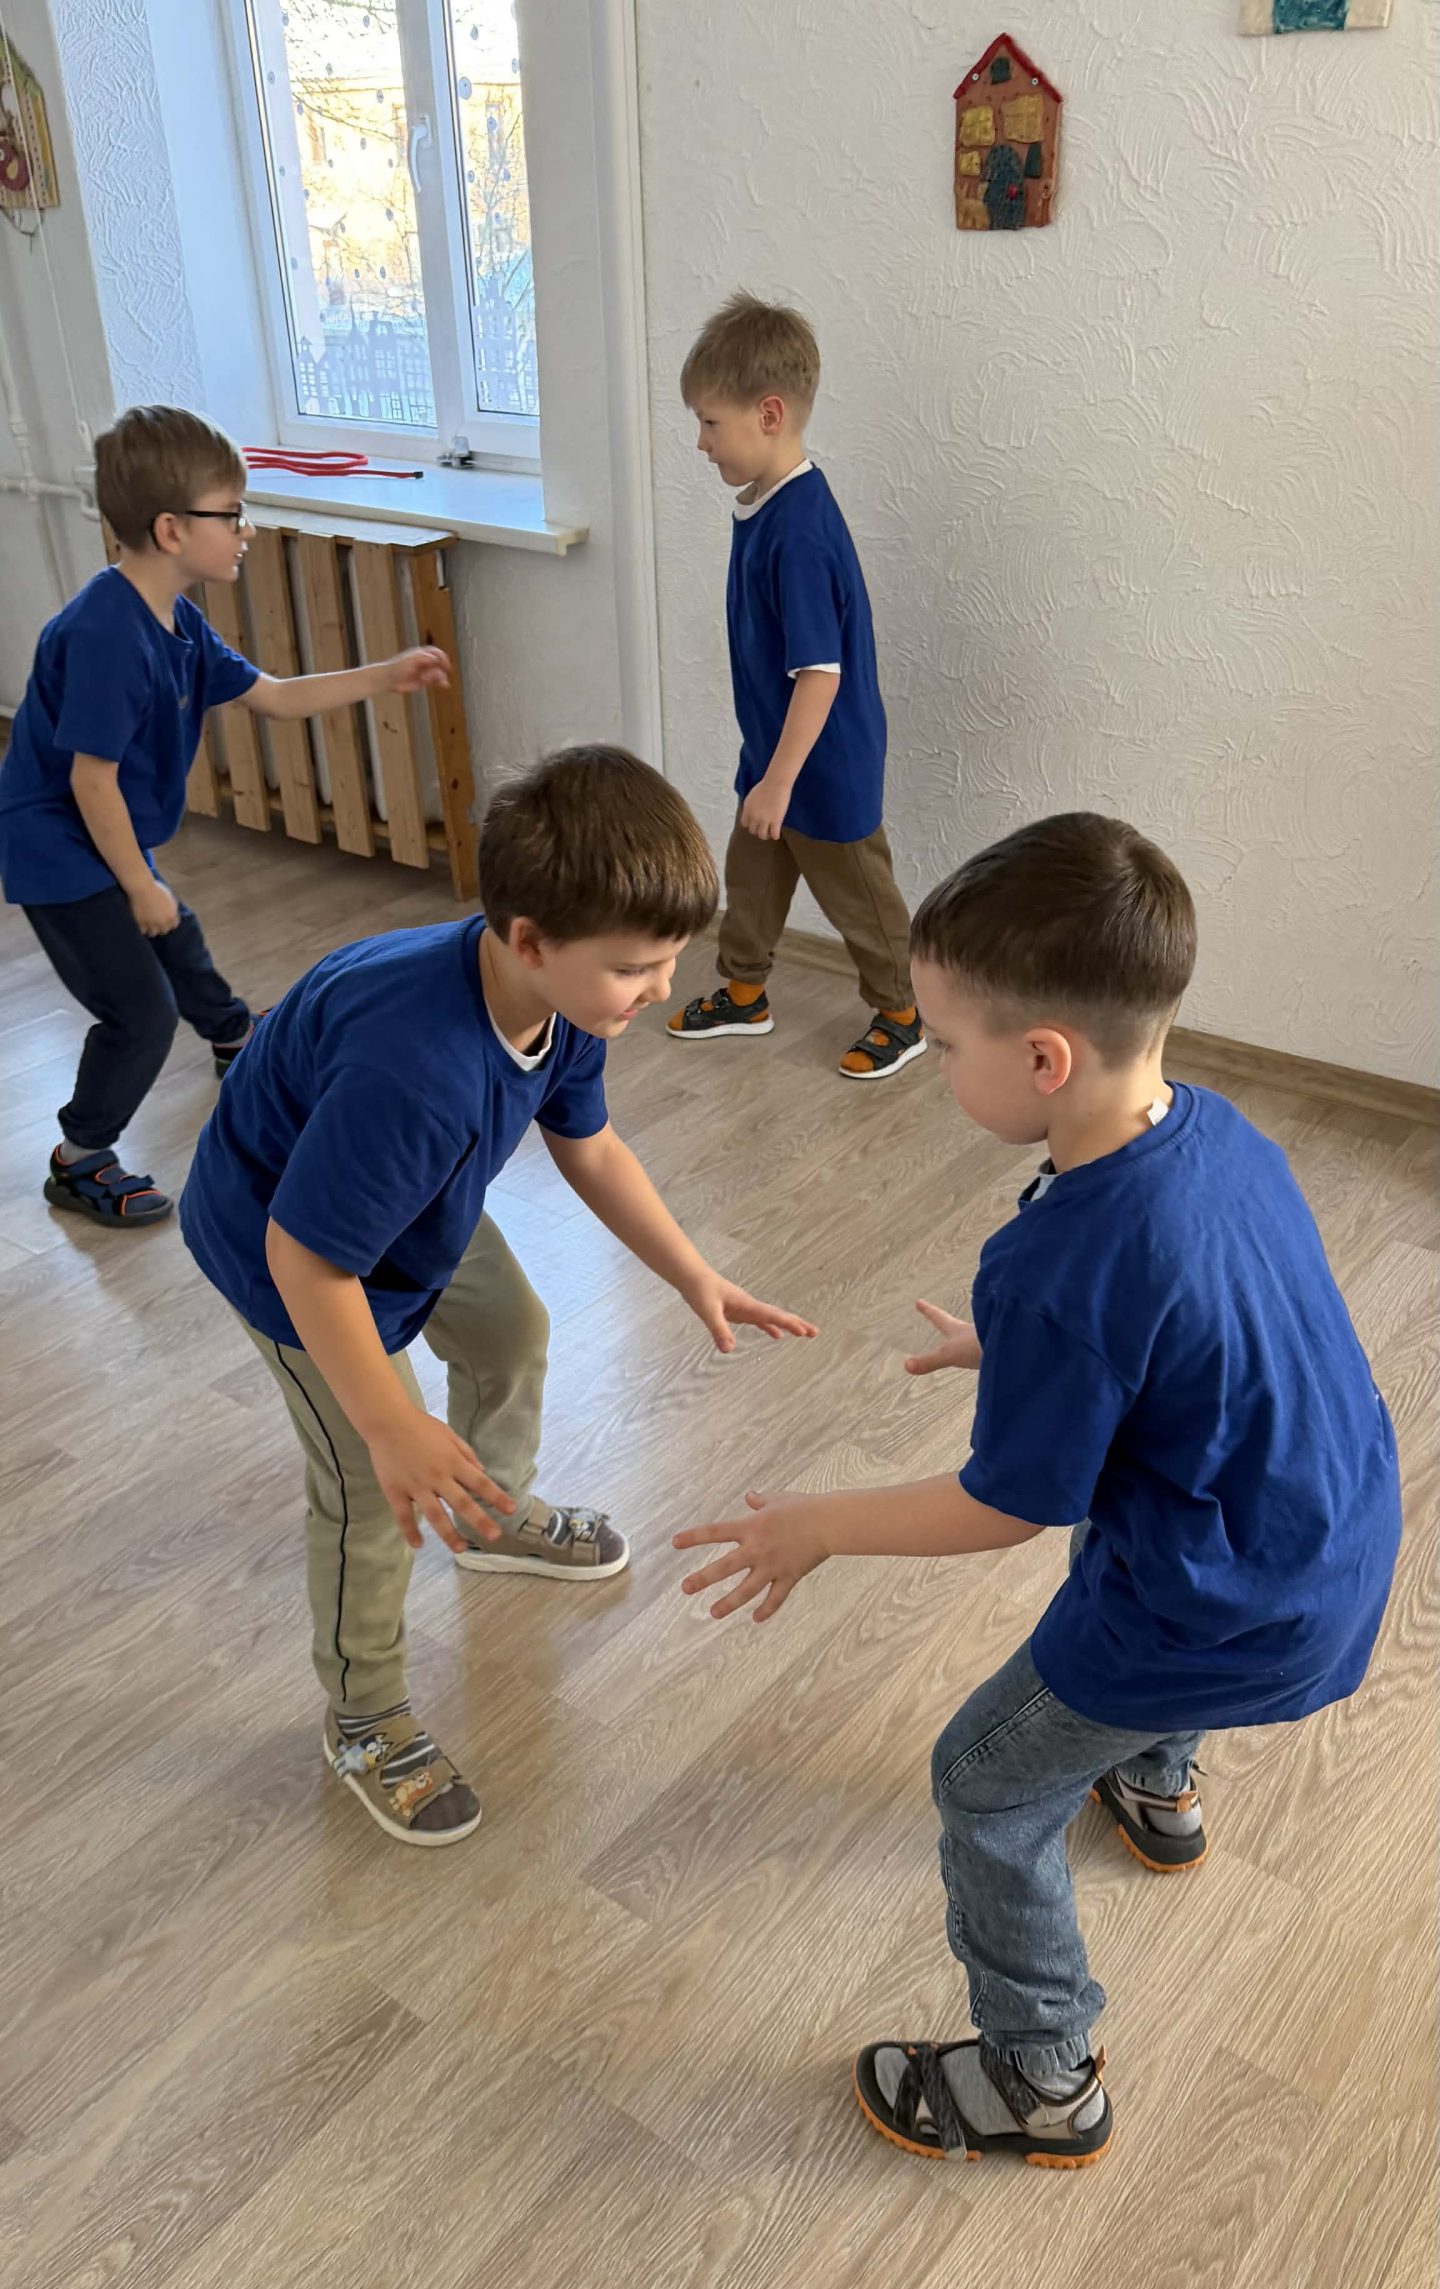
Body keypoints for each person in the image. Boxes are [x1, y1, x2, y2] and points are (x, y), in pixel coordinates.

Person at [675, 814, 1401, 2165]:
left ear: (1045, 1060)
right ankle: (1157, 1788)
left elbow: (1008, 1505)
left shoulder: (1061, 1267)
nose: (941, 1064)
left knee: (985, 1783)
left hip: (1207, 1610)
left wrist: (821, 1524)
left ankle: (1041, 2076)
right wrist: (1026, 1353)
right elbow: (1187, 1333)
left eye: (949, 1044)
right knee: (1148, 1534)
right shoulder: (1223, 1131)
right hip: (1325, 1538)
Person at [181, 743, 817, 1849]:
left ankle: (489, 1512)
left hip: (402, 1203)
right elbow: (306, 1259)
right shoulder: (414, 1071)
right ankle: (363, 1716)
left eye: (671, 958)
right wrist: (394, 1426)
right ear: (529, 940)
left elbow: (591, 1146)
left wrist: (692, 1271)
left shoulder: (565, 1003)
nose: (662, 988)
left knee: (512, 1330)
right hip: (288, 1247)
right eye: (637, 967)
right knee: (368, 1490)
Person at [0, 403, 448, 1226]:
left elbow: (274, 696)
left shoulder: (175, 620)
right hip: (56, 849)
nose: (247, 530)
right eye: (232, 513)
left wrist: (385, 675)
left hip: (102, 832)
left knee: (179, 934)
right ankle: (79, 1157)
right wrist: (139, 885)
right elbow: (91, 782)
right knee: (140, 1012)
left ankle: (233, 1036)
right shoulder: (105, 634)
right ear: (172, 529)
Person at [667, 292, 924, 1083]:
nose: (701, 441)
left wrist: (780, 780)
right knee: (752, 878)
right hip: (775, 753)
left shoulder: (801, 533)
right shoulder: (766, 508)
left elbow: (820, 672)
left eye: (711, 422)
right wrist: (768, 770)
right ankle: (745, 992)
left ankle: (904, 1012)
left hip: (822, 762)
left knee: (861, 900)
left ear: (769, 414)